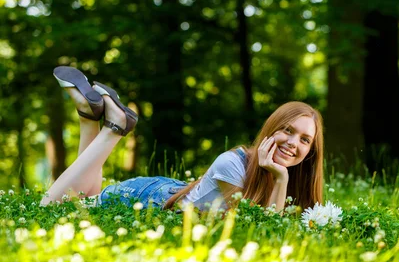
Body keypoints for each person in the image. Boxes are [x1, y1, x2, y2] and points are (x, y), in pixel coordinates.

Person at [40, 66, 324, 213]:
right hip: (144, 199)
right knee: (53, 208)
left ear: (311, 151)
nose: (293, 143)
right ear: (271, 129)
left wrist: (282, 178)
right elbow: (260, 229)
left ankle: (89, 118)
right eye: (287, 130)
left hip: (168, 190)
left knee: (83, 199)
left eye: (304, 139)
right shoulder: (233, 165)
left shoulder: (299, 181)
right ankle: (115, 127)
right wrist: (280, 179)